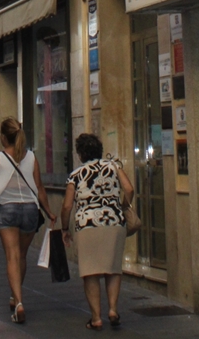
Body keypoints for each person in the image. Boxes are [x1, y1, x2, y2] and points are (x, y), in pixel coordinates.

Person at [0, 117, 56, 324]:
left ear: (2, 137)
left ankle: (18, 302)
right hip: (30, 209)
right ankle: (15, 296)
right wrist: (48, 211)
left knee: (11, 256)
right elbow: (39, 188)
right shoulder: (31, 157)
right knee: (21, 256)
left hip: (8, 209)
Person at [60, 134, 134, 331]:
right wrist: (122, 207)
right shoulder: (114, 167)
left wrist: (64, 228)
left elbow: (67, 206)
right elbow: (129, 188)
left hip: (87, 225)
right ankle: (112, 309)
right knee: (113, 268)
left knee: (90, 272)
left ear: (81, 153)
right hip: (114, 222)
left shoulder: (75, 175)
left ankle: (96, 318)